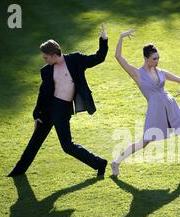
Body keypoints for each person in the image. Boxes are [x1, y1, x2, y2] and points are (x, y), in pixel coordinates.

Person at [7, 23, 109, 178]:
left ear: (54, 54)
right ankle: (17, 172)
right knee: (35, 141)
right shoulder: (46, 71)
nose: (44, 59)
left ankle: (99, 163)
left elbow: (99, 57)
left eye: (45, 56)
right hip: (48, 109)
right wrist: (37, 115)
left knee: (67, 146)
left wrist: (104, 40)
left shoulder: (75, 60)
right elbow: (42, 94)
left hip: (62, 110)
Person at [111, 29, 180, 176]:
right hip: (155, 110)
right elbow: (118, 56)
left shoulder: (161, 72)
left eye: (158, 58)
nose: (157, 61)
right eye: (154, 59)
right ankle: (116, 162)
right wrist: (121, 37)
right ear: (146, 59)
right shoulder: (137, 74)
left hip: (171, 105)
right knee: (145, 142)